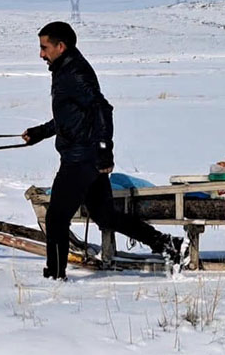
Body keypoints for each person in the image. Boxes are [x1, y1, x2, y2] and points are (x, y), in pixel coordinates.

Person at [22, 21, 185, 279]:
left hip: (81, 158)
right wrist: (40, 132)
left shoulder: (75, 73)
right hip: (86, 155)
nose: (41, 54)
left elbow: (102, 110)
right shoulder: (65, 70)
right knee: (106, 216)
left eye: (44, 48)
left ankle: (55, 275)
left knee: (56, 217)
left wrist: (103, 150)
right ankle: (169, 245)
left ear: (60, 46)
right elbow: (73, 117)